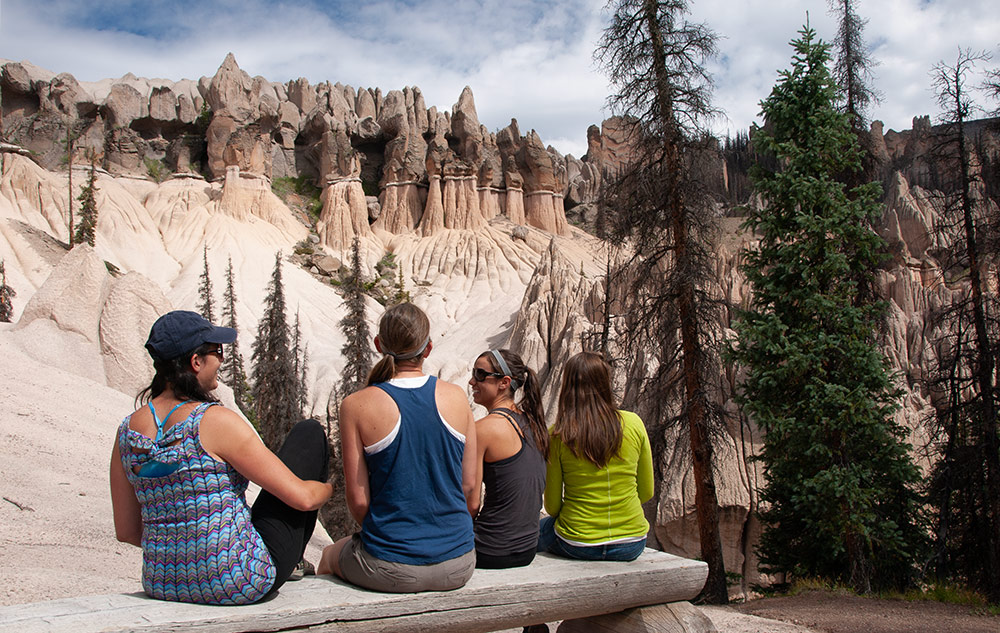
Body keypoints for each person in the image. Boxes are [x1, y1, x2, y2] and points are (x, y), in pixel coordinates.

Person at [110, 310, 333, 605]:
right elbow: (303, 499)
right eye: (217, 351)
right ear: (196, 362)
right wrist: (329, 487)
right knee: (309, 433)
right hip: (239, 580)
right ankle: (292, 562)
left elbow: (126, 531)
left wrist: (183, 551)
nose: (223, 359)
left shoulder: (127, 431)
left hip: (162, 582)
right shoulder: (215, 422)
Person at [317, 303, 478, 592]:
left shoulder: (356, 405)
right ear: (427, 349)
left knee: (328, 555)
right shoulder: (456, 397)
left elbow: (359, 502)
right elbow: (470, 488)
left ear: (378, 345)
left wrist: (392, 536)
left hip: (390, 566)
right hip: (460, 563)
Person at [538, 351, 653, 561]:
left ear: (567, 387)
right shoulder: (634, 423)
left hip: (578, 543)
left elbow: (552, 507)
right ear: (605, 382)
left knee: (536, 530)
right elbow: (646, 492)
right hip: (631, 542)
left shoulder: (558, 434)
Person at [469, 348, 547, 569]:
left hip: (488, 550)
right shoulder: (535, 424)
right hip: (526, 549)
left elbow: (471, 504)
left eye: (480, 375)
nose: (472, 381)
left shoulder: (483, 429)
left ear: (504, 382)